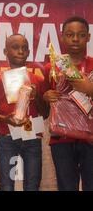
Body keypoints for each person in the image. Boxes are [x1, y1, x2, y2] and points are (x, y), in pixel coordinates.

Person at [0, 34, 45, 191]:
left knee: (32, 185)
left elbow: (46, 113)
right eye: (15, 47)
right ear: (5, 51)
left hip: (32, 137)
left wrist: (37, 97)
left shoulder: (36, 80)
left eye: (24, 48)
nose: (20, 51)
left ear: (29, 52)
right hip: (7, 138)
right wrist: (5, 118)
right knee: (6, 185)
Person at [42, 16, 93, 191]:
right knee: (66, 187)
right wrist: (45, 97)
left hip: (91, 138)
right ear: (62, 37)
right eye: (70, 35)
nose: (75, 39)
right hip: (61, 138)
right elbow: (42, 110)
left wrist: (90, 89)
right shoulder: (53, 67)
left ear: (88, 37)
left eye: (81, 35)